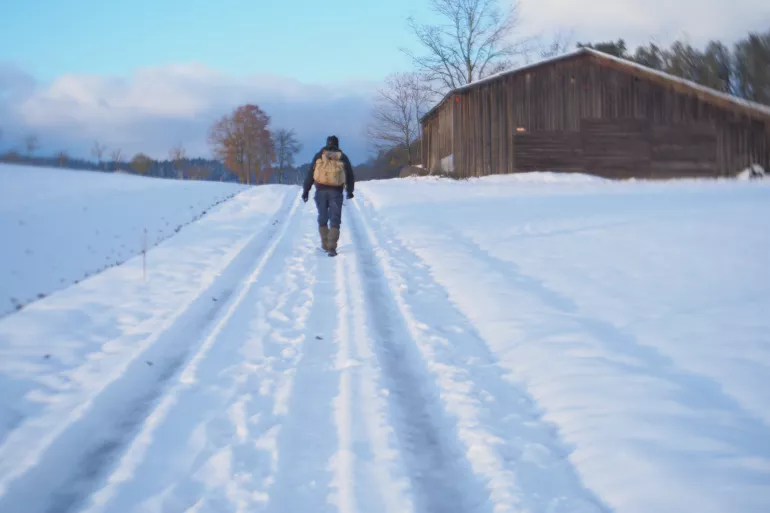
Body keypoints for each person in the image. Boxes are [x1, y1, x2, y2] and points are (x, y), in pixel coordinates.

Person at [302, 135, 355, 256]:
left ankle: (325, 244)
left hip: (320, 190)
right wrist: (350, 191)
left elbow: (310, 173)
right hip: (336, 191)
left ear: (327, 143)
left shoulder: (319, 155)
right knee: (335, 218)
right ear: (337, 144)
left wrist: (306, 190)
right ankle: (332, 247)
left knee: (323, 216)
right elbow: (349, 175)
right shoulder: (342, 157)